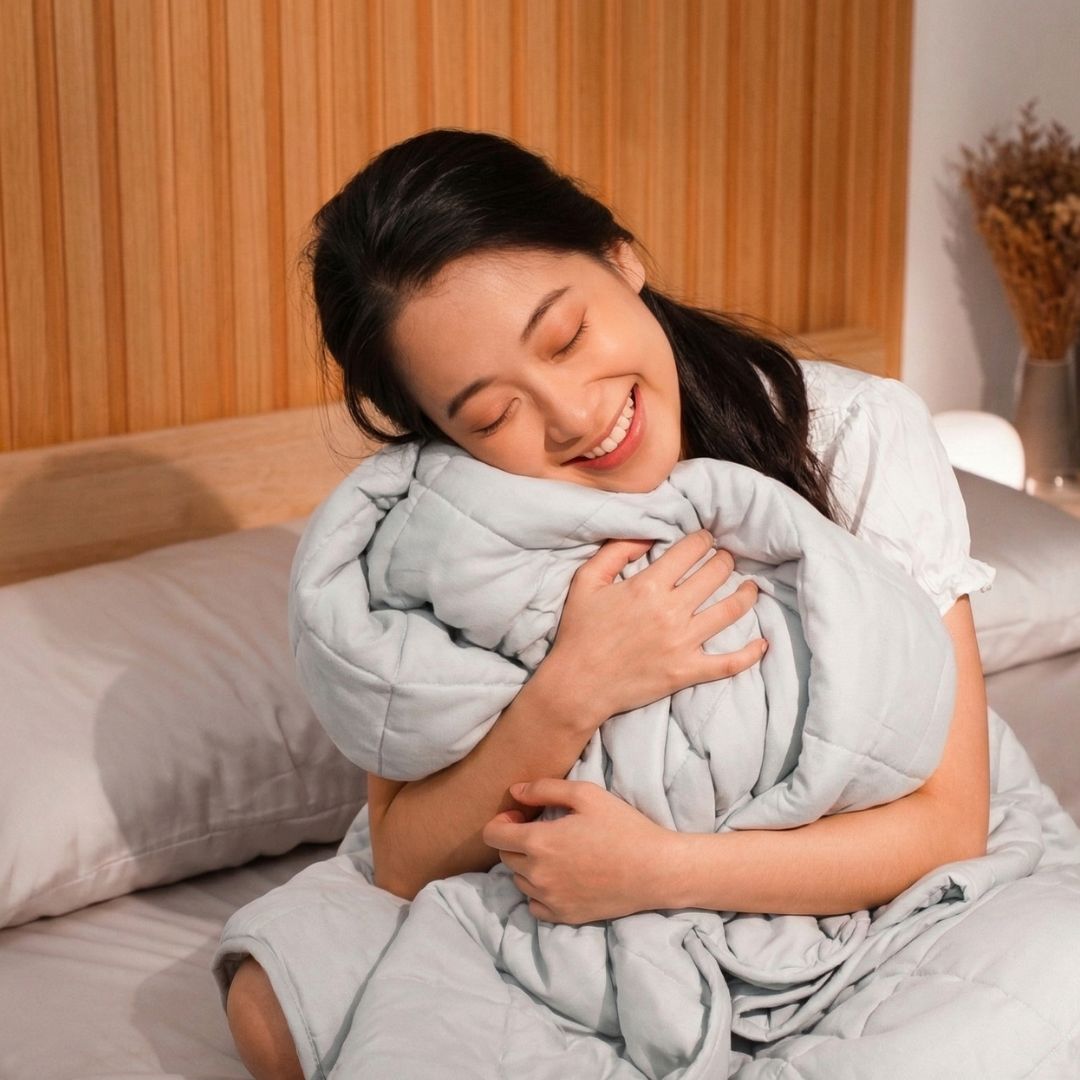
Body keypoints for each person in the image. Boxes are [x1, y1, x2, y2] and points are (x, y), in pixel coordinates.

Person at [221, 129, 1002, 1079]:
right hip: (531, 849)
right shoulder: (439, 518)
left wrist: (654, 871)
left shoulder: (849, 429)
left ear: (619, 256)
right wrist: (576, 687)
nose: (573, 416)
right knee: (273, 1012)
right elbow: (404, 858)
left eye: (566, 338)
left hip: (803, 841)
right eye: (492, 414)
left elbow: (950, 823)